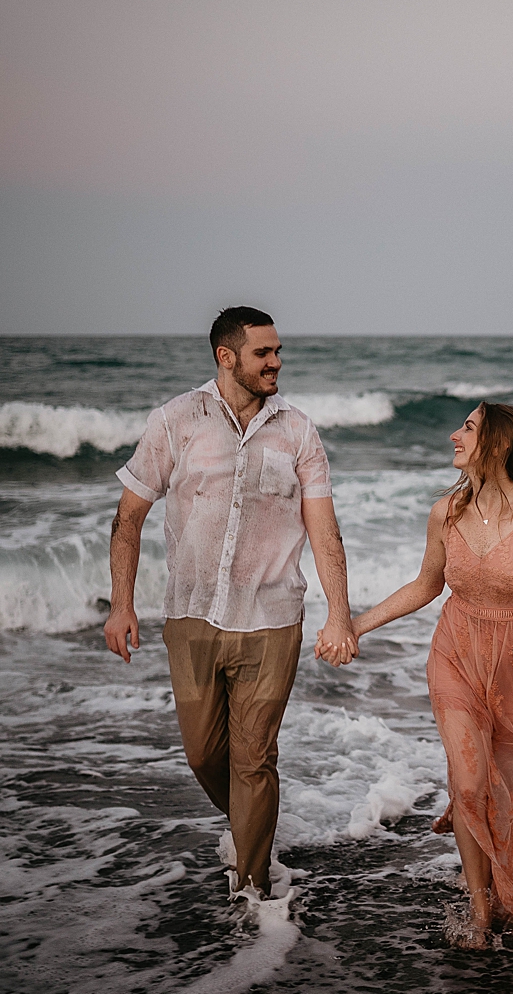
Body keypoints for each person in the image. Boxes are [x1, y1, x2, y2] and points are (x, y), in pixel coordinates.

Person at [102, 306, 358, 905]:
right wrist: (122, 605)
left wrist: (339, 613)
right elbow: (128, 517)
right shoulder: (175, 421)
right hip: (190, 614)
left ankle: (253, 891)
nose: (276, 362)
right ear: (227, 357)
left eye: (277, 351)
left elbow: (325, 531)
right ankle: (255, 823)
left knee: (254, 755)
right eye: (263, 353)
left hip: (272, 619)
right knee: (203, 754)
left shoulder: (298, 430)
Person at [346, 402, 513, 947]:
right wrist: (356, 626)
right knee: (468, 782)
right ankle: (480, 906)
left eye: (467, 428)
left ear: (498, 445)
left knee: (503, 792)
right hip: (456, 658)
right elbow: (425, 586)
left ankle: (498, 888)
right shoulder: (445, 512)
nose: (453, 435)